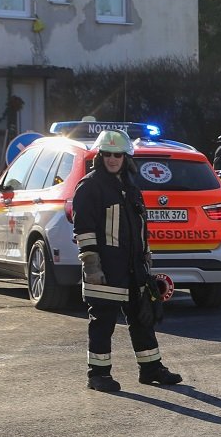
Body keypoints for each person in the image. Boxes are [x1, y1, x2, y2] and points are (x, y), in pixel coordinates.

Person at [74, 129, 181, 392]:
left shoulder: (130, 187)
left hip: (134, 268)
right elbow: (84, 229)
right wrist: (92, 265)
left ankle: (151, 368)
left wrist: (146, 259)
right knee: (103, 321)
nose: (112, 159)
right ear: (100, 156)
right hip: (106, 268)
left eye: (117, 155)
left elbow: (140, 227)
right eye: (107, 154)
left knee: (142, 318)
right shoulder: (90, 187)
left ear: (126, 157)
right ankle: (98, 375)